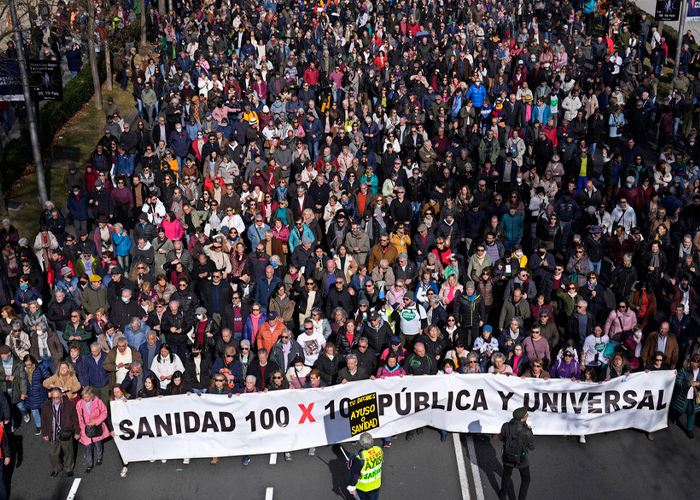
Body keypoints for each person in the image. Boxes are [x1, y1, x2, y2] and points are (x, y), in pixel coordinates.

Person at [41, 387, 80, 478]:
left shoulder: (69, 404)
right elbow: (43, 420)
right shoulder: (46, 405)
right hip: (53, 433)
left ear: (61, 395)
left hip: (65, 433)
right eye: (53, 398)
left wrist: (77, 432)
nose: (55, 400)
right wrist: (44, 433)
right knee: (52, 453)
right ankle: (57, 468)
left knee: (68, 452)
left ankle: (69, 468)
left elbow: (75, 418)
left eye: (57, 397)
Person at [498, 407, 535, 500]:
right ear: (523, 418)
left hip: (508, 456)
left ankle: (502, 494)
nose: (527, 415)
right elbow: (532, 447)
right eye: (526, 414)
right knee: (526, 480)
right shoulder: (526, 431)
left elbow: (501, 438)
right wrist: (530, 431)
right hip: (521, 460)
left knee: (506, 475)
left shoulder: (506, 426)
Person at [75, 386, 109, 473]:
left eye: (87, 397)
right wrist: (82, 428)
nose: (85, 399)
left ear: (91, 396)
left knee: (98, 444)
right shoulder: (79, 404)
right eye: (83, 396)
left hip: (96, 427)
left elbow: (104, 412)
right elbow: (78, 417)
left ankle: (99, 458)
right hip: (85, 429)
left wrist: (96, 421)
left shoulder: (98, 402)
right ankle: (89, 465)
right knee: (87, 448)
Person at [671, 354, 700, 439]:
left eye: (696, 362)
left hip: (695, 397)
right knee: (682, 409)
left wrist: (698, 384)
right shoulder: (685, 370)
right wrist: (687, 384)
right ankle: (675, 416)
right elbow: (678, 381)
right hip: (684, 395)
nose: (693, 363)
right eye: (692, 361)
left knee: (692, 412)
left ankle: (689, 430)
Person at [347, 432, 383, 500]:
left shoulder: (359, 458)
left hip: (362, 487)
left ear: (361, 443)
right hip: (376, 484)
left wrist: (351, 487)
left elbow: (355, 475)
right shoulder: (379, 450)